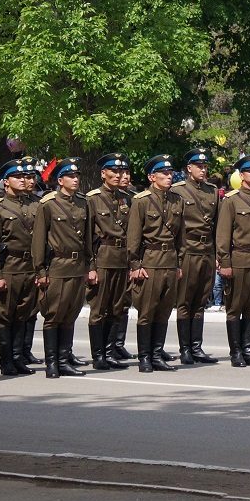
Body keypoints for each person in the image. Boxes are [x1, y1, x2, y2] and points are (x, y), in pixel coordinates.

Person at [32, 158, 93, 379]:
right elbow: (39, 240)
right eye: (71, 176)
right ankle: (52, 362)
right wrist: (40, 270)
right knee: (54, 315)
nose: (75, 180)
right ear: (60, 180)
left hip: (77, 267)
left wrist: (90, 265)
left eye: (77, 176)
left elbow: (87, 239)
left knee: (70, 314)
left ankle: (64, 359)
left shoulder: (83, 203)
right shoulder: (48, 204)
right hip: (57, 266)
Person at [127, 155, 185, 373]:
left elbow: (181, 236)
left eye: (170, 174)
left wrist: (178, 262)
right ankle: (144, 357)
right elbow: (134, 237)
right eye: (164, 174)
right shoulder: (141, 201)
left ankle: (157, 354)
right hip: (150, 262)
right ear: (152, 177)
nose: (169, 177)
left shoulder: (177, 200)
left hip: (170, 262)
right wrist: (135, 264)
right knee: (147, 311)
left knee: (164, 311)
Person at [215, 157, 250, 368]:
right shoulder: (231, 200)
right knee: (235, 306)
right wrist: (225, 261)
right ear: (242, 175)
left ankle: (247, 350)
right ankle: (236, 351)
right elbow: (223, 235)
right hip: (239, 259)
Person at [0, 159, 41, 376]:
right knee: (5, 314)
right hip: (9, 266)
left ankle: (19, 357)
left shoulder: (34, 206)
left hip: (30, 266)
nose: (23, 180)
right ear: (6, 182)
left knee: (23, 314)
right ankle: (6, 361)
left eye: (24, 177)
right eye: (17, 177)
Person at [170, 148, 219, 365]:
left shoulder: (212, 191)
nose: (203, 169)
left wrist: (217, 253)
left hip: (207, 249)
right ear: (189, 168)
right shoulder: (178, 191)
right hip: (188, 249)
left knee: (200, 300)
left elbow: (217, 225)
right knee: (185, 300)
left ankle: (197, 347)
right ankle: (185, 349)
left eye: (205, 166)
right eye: (199, 166)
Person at [86, 153, 134, 369]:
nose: (118, 175)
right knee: (98, 309)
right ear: (103, 173)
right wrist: (91, 267)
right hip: (103, 256)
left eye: (121, 171)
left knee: (117, 307)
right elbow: (87, 238)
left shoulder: (126, 198)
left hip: (122, 258)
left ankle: (109, 351)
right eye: (114, 171)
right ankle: (98, 356)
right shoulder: (92, 199)